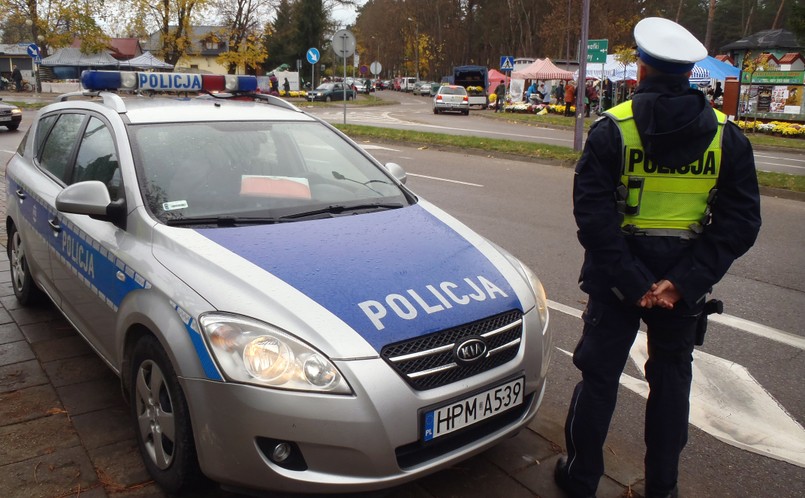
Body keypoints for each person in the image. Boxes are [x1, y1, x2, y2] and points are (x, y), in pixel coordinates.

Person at [554, 17, 761, 498]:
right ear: (691, 73)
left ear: (642, 68)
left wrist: (633, 282)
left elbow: (593, 217)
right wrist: (681, 283)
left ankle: (582, 479)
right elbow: (740, 223)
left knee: (600, 380)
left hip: (616, 279)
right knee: (671, 386)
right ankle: (662, 489)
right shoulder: (727, 138)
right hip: (681, 286)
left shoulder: (612, 130)